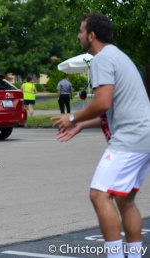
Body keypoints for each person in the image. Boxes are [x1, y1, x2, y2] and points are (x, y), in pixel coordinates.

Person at [52, 13, 150, 258]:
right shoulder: (119, 56)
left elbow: (103, 102)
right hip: (144, 136)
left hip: (131, 139)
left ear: (91, 35)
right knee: (124, 200)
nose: (78, 35)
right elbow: (119, 107)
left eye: (81, 31)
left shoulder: (101, 59)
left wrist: (73, 118)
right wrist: (83, 125)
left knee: (98, 194)